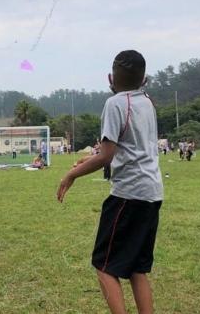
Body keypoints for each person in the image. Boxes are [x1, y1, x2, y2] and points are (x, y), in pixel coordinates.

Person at [57, 50, 163, 314]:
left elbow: (107, 156)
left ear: (110, 78)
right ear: (144, 80)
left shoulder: (115, 103)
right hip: (152, 193)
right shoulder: (147, 102)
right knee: (137, 269)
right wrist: (87, 161)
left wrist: (71, 174)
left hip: (128, 195)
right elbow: (123, 148)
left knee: (104, 266)